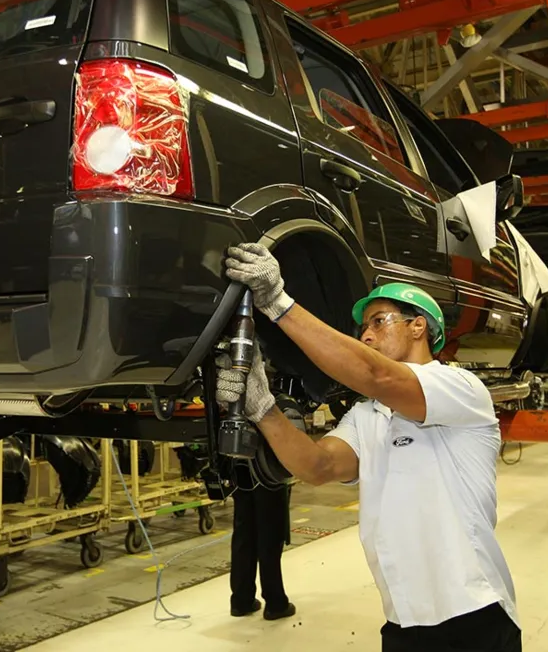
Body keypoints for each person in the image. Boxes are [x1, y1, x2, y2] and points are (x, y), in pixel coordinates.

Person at [217, 243, 520, 652]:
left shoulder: (460, 389)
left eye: (380, 321)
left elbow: (376, 375)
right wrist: (262, 406)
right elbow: (318, 466)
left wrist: (277, 302)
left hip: (473, 611)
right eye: (363, 330)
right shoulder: (367, 416)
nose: (368, 335)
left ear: (419, 327)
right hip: (401, 621)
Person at [229, 464, 294, 620]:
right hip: (266, 470)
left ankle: (241, 600)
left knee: (243, 531)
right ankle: (275, 603)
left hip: (237, 464)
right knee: (270, 534)